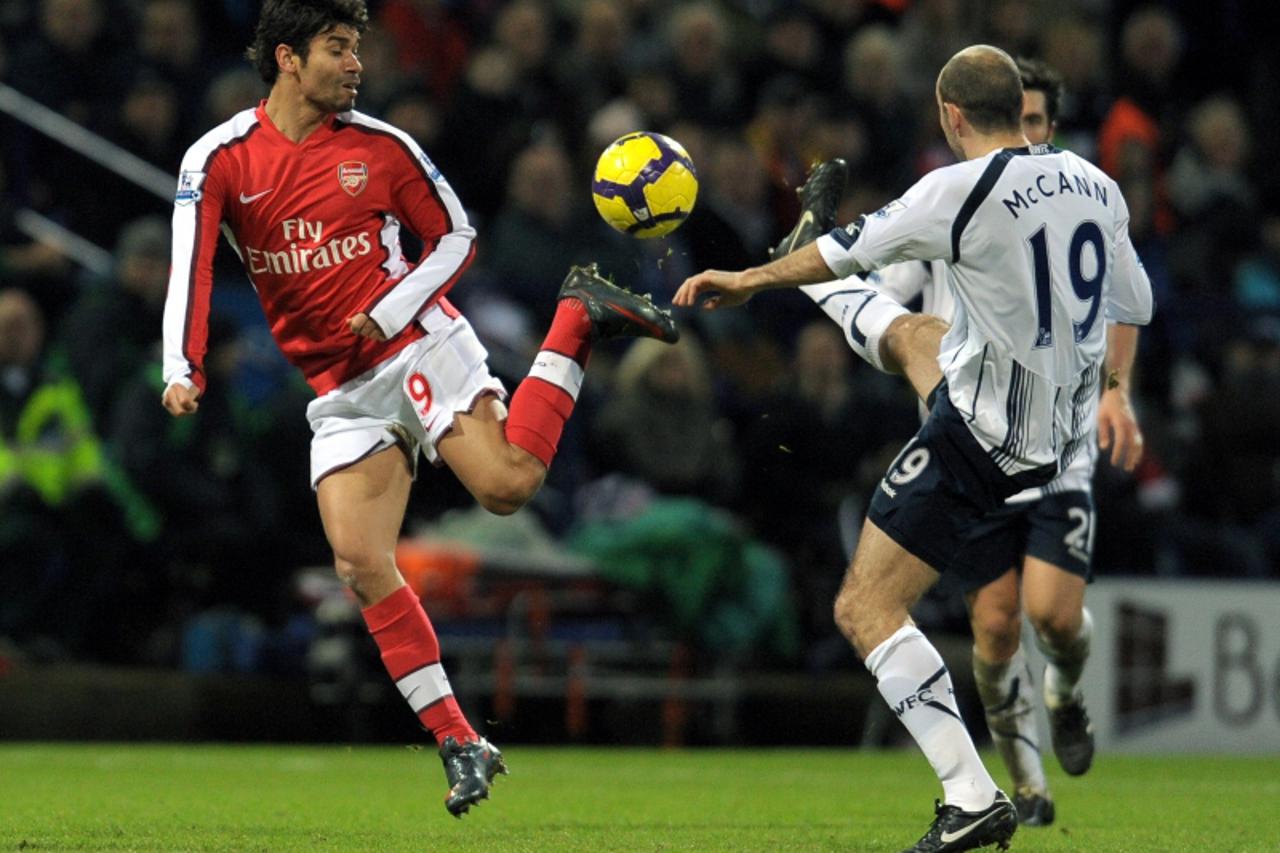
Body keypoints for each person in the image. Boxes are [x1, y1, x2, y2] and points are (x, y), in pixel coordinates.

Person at [160, 0, 677, 817]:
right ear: (289, 58)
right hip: (340, 390)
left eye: (357, 47)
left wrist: (396, 308)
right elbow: (188, 264)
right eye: (339, 48)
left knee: (506, 486)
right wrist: (182, 365)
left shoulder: (381, 145)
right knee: (360, 564)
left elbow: (456, 237)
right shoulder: (218, 156)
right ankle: (461, 740)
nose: (357, 63)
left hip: (415, 344)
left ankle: (575, 316)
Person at [674, 45, 1153, 853]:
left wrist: (747, 278)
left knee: (864, 607)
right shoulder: (1096, 185)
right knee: (913, 335)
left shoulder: (956, 189)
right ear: (1017, 108)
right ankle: (1013, 746)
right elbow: (1130, 300)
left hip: (982, 442)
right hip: (1058, 435)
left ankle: (970, 795)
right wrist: (1111, 389)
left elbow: (846, 250)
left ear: (951, 115)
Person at [798, 59, 1145, 828]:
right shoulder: (953, 204)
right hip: (982, 419)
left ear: (1048, 128)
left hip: (1048, 448)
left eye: (1038, 121)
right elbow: (889, 309)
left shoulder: (1072, 195)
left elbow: (1128, 301)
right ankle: (1021, 785)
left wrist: (1118, 394)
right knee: (992, 621)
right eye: (1016, 118)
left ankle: (1057, 694)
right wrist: (822, 268)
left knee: (1052, 617)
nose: (1026, 133)